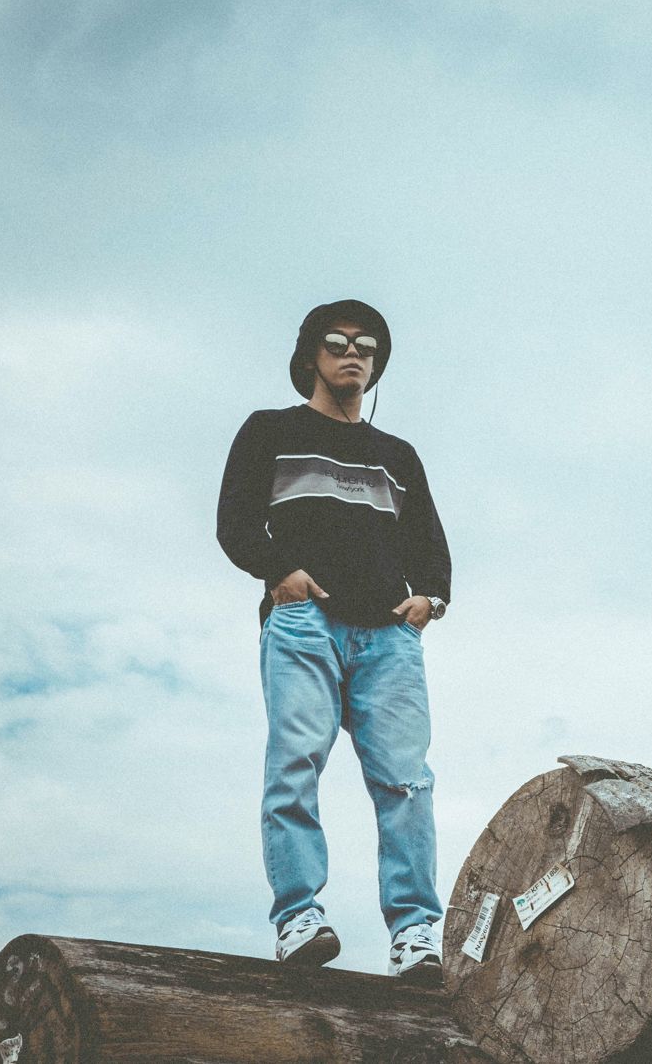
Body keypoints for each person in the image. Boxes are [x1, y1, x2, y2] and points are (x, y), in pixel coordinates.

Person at [217, 299, 451, 982]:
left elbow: (430, 545)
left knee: (407, 782)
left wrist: (430, 600)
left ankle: (414, 934)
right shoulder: (270, 430)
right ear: (310, 355)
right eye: (337, 341)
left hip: (388, 636)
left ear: (377, 364)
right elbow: (235, 522)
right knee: (295, 764)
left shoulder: (398, 456)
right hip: (303, 621)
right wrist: (279, 573)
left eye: (367, 346)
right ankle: (299, 917)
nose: (353, 353)